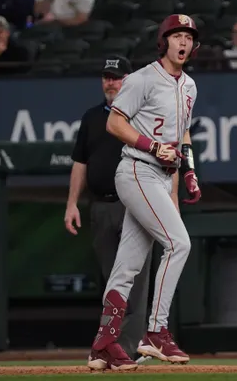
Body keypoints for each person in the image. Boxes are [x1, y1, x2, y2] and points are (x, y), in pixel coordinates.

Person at [87, 14, 202, 371]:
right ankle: (155, 331)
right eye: (177, 35)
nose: (183, 42)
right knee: (179, 243)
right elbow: (114, 122)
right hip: (137, 168)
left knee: (128, 266)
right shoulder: (141, 78)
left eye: (188, 36)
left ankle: (104, 344)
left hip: (162, 176)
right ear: (164, 41)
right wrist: (153, 147)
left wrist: (190, 170)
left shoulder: (190, 86)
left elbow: (182, 134)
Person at [65, 55, 152, 363]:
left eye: (116, 77)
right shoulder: (91, 118)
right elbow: (80, 163)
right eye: (106, 76)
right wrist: (72, 203)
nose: (110, 82)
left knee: (136, 281)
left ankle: (125, 349)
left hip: (134, 207)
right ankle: (109, 345)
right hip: (101, 205)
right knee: (111, 280)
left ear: (128, 80)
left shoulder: (141, 115)